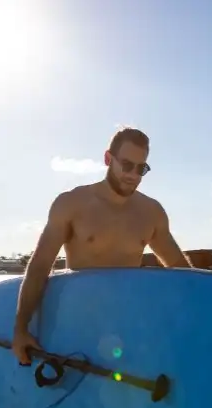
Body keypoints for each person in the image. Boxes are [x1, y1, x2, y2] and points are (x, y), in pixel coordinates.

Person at [12, 127, 193, 365]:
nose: (133, 175)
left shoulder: (151, 213)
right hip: (78, 320)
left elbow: (180, 269)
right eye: (127, 165)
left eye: (141, 168)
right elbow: (40, 266)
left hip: (126, 323)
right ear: (108, 159)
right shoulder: (72, 204)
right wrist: (21, 328)